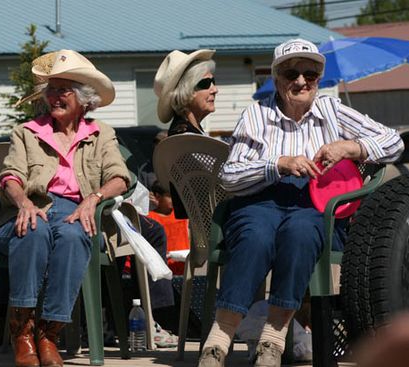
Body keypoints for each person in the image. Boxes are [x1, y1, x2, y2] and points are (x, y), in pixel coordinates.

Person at [199, 38, 404, 367]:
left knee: (301, 234)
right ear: (277, 79)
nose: (301, 81)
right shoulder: (256, 115)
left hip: (315, 204)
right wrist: (276, 164)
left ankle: (273, 339)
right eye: (292, 73)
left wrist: (350, 148)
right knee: (255, 237)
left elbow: (393, 141)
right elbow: (229, 176)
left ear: (319, 80)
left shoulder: (332, 110)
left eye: (310, 74)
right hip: (260, 198)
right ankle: (220, 337)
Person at [0, 49, 130, 367]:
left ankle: (48, 335)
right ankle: (23, 333)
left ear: (83, 98)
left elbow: (119, 178)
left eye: (63, 89)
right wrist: (24, 202)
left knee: (73, 235)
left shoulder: (100, 134)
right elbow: (9, 175)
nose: (55, 96)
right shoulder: (27, 132)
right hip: (28, 210)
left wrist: (92, 199)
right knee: (33, 230)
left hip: (76, 211)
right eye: (51, 89)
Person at [153, 49, 218, 218]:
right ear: (186, 93)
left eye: (213, 81)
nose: (215, 89)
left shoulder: (189, 132)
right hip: (213, 224)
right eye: (205, 84)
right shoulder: (184, 140)